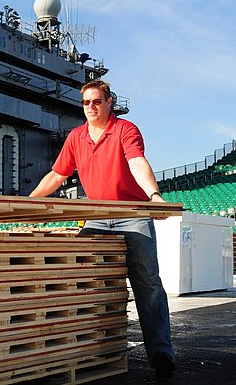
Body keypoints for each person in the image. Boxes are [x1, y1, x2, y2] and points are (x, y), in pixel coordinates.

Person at [29, 79, 175, 379]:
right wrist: (30, 202)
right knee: (83, 279)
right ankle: (90, 349)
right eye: (86, 103)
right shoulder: (76, 137)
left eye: (97, 101)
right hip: (96, 218)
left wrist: (154, 196)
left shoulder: (125, 130)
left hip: (131, 214)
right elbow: (57, 175)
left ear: (109, 102)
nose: (91, 107)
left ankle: (161, 352)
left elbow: (136, 162)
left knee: (147, 281)